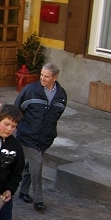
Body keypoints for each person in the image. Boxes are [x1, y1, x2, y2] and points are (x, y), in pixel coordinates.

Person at [14, 63, 67, 211]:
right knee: (37, 167)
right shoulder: (30, 91)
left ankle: (23, 191)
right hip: (28, 137)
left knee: (31, 165)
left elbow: (56, 116)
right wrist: (21, 128)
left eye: (46, 76)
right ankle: (38, 200)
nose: (42, 78)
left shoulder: (61, 95)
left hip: (45, 139)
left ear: (54, 78)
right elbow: (16, 109)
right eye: (41, 75)